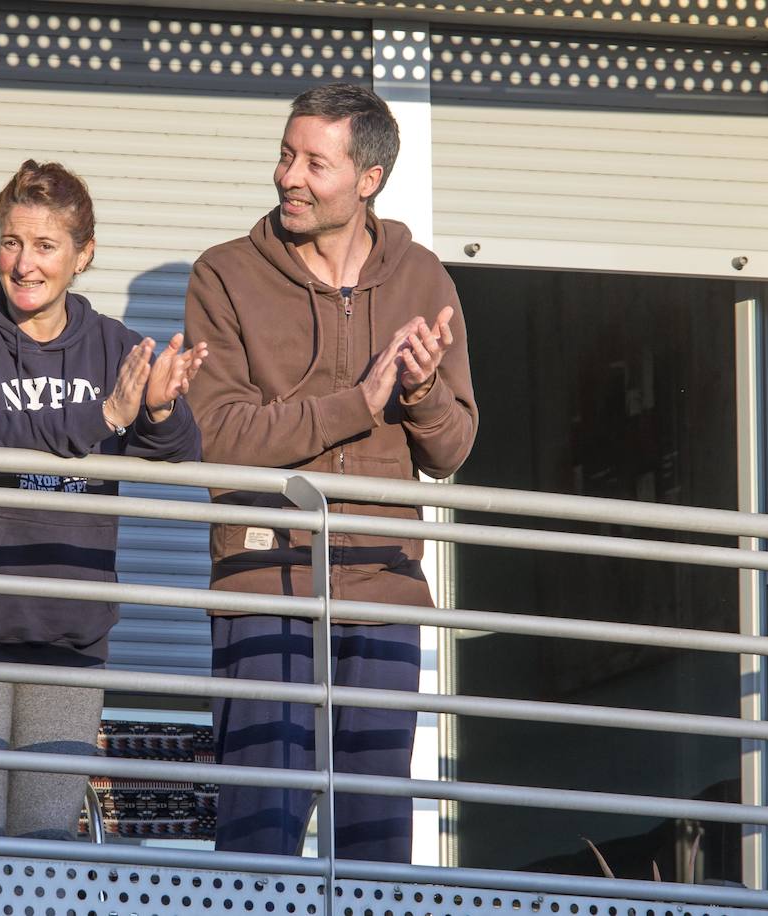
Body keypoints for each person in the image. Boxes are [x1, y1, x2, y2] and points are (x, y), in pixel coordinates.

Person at [184, 83, 478, 862]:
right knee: (258, 845)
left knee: (375, 848)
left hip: (382, 589)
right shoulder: (224, 276)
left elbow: (451, 451)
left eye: (316, 162)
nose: (290, 176)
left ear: (369, 179)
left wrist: (419, 393)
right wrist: (358, 403)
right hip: (261, 582)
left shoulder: (424, 278)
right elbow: (218, 437)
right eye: (286, 154)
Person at [0, 159, 206, 839]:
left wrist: (155, 409)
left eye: (45, 246)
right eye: (11, 242)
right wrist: (104, 418)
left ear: (82, 255)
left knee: (45, 846)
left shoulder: (111, 345)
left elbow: (179, 453)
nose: (24, 264)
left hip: (66, 635)